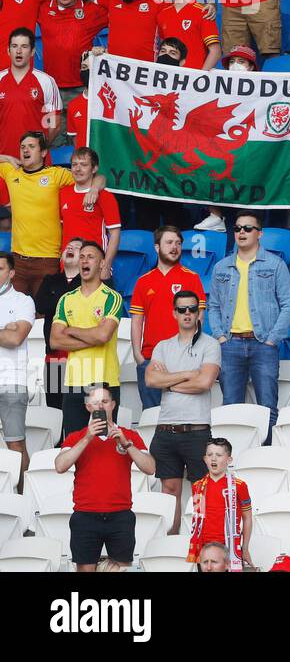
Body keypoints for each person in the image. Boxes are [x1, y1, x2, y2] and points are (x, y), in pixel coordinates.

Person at [145, 288, 221, 536]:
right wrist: (189, 373)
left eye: (192, 309)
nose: (187, 314)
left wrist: (168, 381)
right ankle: (171, 546)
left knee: (202, 491)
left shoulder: (210, 345)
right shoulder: (163, 346)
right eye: (182, 309)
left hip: (196, 429)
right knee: (169, 491)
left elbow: (204, 383)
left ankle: (202, 545)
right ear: (174, 313)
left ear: (199, 313)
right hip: (166, 429)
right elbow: (150, 380)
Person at [54, 384, 154, 573]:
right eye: (95, 403)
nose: (100, 406)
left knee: (122, 570)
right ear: (88, 407)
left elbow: (150, 468)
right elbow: (60, 465)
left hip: (121, 514)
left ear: (113, 405)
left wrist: (127, 444)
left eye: (105, 402)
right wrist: (87, 437)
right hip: (85, 515)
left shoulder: (129, 435)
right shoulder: (77, 436)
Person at [208, 212, 290, 431]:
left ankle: (266, 457)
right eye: (237, 229)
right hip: (230, 345)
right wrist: (221, 337)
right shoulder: (221, 267)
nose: (242, 232)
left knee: (267, 408)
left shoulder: (276, 265)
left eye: (247, 228)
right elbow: (213, 305)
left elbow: (288, 305)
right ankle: (233, 458)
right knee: (230, 408)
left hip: (263, 344)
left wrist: (272, 340)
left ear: (260, 233)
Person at [49, 243, 123, 439]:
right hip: (74, 381)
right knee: (73, 444)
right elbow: (55, 340)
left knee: (103, 444)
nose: (84, 260)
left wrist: (71, 330)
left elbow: (103, 335)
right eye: (82, 256)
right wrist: (94, 337)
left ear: (101, 264)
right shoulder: (66, 299)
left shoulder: (112, 297)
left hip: (104, 382)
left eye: (90, 256)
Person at [130, 227, 206, 412]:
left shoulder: (191, 278)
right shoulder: (143, 281)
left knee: (183, 415)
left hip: (182, 360)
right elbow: (137, 320)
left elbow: (200, 317)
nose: (175, 247)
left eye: (178, 243)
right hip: (151, 359)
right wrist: (138, 356)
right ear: (157, 247)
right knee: (152, 415)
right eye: (169, 243)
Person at [0, 133, 85, 294]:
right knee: (15, 314)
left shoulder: (56, 174)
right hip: (18, 261)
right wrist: (7, 158)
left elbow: (95, 177)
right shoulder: (11, 171)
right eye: (23, 147)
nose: (26, 150)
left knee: (43, 315)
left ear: (44, 152)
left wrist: (94, 188)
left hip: (47, 260)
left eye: (31, 147)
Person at [37, 0, 106, 105]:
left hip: (83, 89)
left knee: (79, 128)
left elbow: (123, 15)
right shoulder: (42, 8)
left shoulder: (92, 10)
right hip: (51, 88)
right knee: (54, 128)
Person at [186, 437, 252, 570]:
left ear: (229, 460)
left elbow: (247, 518)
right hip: (205, 548)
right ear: (205, 459)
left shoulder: (239, 486)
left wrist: (245, 548)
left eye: (219, 455)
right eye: (210, 455)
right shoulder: (198, 486)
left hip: (228, 547)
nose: (213, 459)